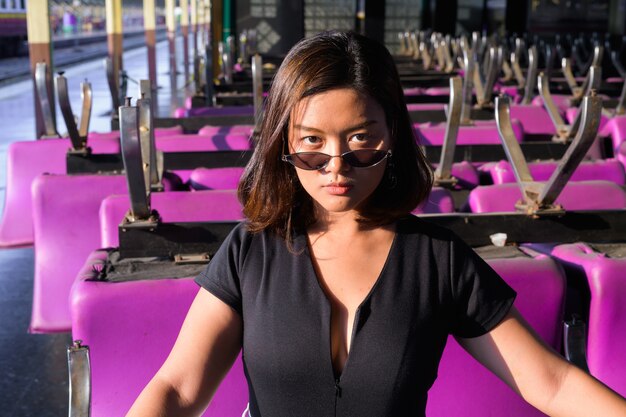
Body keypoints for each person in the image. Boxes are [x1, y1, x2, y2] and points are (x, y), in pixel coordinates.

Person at [127, 31, 626, 417]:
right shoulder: (248, 253)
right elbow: (178, 389)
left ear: (392, 137)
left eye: (361, 140)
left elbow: (551, 383)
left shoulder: (438, 260)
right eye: (312, 142)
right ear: (283, 142)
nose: (338, 165)